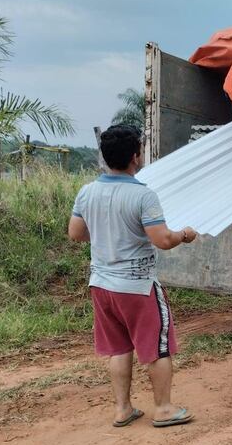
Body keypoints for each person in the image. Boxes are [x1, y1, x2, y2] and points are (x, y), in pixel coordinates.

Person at [68, 125, 197, 428]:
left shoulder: (87, 192)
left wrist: (108, 235)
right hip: (137, 286)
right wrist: (184, 234)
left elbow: (76, 233)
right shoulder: (143, 195)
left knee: (119, 347)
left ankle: (123, 409)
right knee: (156, 347)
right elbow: (162, 239)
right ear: (135, 156)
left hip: (102, 285)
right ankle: (163, 409)